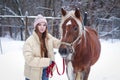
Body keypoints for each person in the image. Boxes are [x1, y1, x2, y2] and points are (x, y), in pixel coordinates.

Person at [23, 14, 60, 80]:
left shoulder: (48, 37)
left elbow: (59, 44)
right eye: (39, 25)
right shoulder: (29, 41)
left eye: (44, 25)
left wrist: (68, 37)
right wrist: (47, 61)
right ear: (36, 26)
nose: (42, 27)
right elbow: (29, 60)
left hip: (46, 71)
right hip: (33, 74)